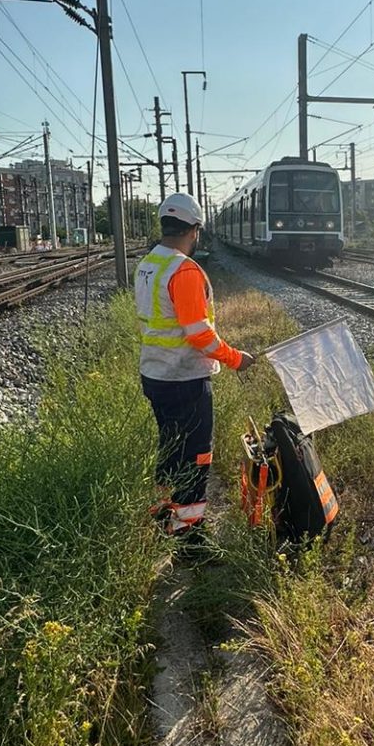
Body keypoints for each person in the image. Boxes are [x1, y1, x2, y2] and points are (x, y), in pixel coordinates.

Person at [135, 193, 255, 538]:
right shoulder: (184, 270)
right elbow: (199, 334)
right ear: (195, 230)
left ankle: (161, 514)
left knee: (170, 448)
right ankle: (189, 533)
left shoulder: (148, 264)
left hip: (155, 374)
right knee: (197, 456)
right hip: (184, 379)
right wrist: (236, 359)